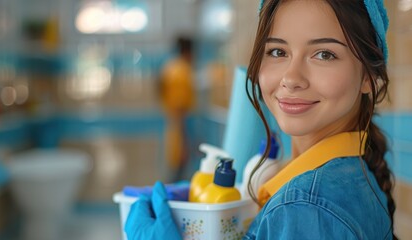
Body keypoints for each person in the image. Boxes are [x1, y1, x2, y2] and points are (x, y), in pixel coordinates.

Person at [125, 0, 397, 239]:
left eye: (324, 54)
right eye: (278, 52)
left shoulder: (306, 207)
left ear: (368, 77)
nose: (291, 78)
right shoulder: (347, 175)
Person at [159, 36, 196, 182]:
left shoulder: (170, 67)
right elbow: (180, 107)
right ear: (189, 51)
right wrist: (185, 142)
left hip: (172, 125)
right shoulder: (182, 71)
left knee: (174, 171)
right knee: (177, 174)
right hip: (179, 128)